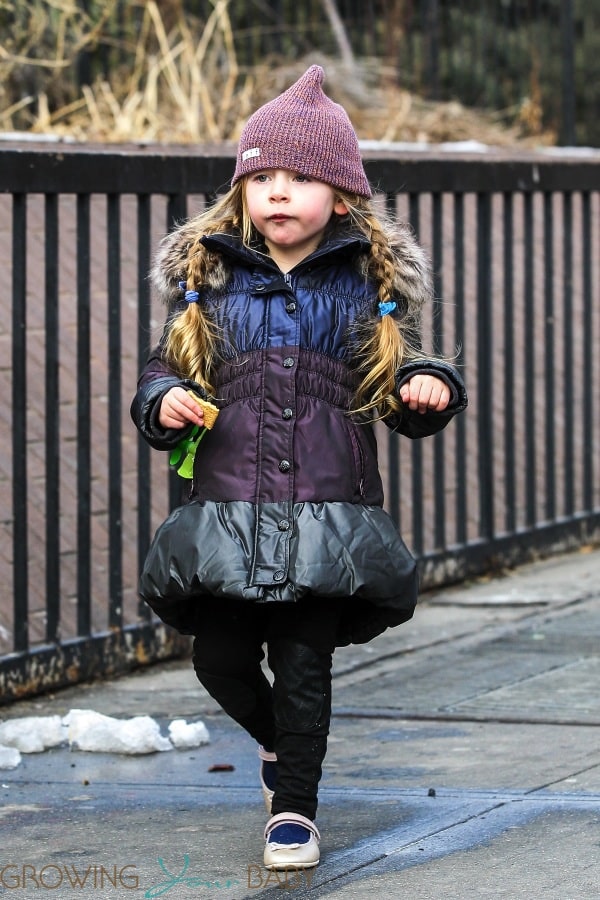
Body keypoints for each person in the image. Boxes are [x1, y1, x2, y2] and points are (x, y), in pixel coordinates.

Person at [130, 65, 467, 871]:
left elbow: (405, 378)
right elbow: (159, 370)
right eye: (264, 178)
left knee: (304, 665)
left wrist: (430, 387)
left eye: (301, 178)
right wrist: (166, 398)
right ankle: (283, 749)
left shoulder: (364, 292)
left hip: (326, 513)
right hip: (225, 514)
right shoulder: (205, 288)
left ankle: (295, 812)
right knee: (218, 659)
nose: (279, 193)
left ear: (342, 198)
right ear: (242, 191)